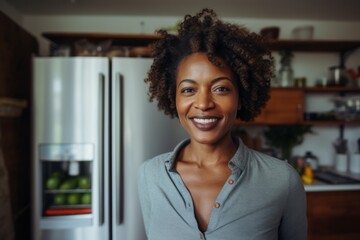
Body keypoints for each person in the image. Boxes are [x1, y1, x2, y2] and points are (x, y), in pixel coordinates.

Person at [138, 8, 307, 240]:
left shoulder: (282, 180)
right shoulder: (150, 175)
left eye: (220, 89)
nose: (204, 103)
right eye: (188, 90)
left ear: (240, 97)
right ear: (173, 98)